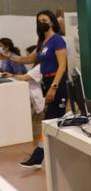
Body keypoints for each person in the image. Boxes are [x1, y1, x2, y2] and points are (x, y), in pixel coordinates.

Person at [0, 10, 68, 169]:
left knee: (50, 121)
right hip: (47, 82)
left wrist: (54, 87)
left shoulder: (57, 40)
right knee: (53, 121)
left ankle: (38, 156)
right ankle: (52, 154)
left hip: (57, 83)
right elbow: (28, 59)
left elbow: (62, 65)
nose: (41, 23)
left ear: (52, 22)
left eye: (44, 20)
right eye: (39, 20)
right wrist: (9, 56)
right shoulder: (43, 42)